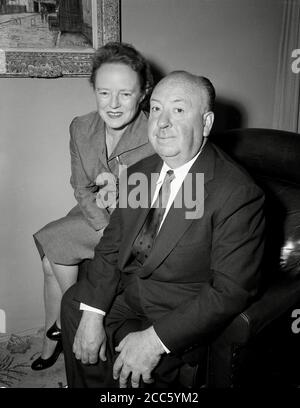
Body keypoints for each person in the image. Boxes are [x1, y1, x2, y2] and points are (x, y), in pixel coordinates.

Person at [61, 71, 265, 388]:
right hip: (132, 292)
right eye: (156, 109)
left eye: (178, 110)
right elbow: (112, 247)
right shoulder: (141, 173)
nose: (162, 123)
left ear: (207, 123)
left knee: (141, 364)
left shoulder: (236, 192)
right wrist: (93, 312)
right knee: (76, 305)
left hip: (178, 312)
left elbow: (230, 291)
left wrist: (155, 341)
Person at [31, 42, 155, 371]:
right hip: (94, 214)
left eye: (125, 94)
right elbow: (80, 186)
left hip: (134, 221)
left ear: (143, 93)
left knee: (50, 240)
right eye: (103, 93)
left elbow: (156, 200)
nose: (112, 105)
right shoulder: (80, 126)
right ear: (94, 91)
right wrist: (101, 225)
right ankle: (57, 331)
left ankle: (63, 324)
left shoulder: (157, 133)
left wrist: (112, 220)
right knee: (49, 263)